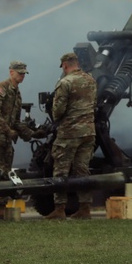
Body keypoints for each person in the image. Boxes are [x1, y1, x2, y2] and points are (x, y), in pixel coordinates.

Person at [0, 60, 44, 216]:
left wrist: (31, 133)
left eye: (24, 73)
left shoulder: (17, 93)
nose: (22, 76)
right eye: (20, 73)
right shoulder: (1, 89)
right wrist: (8, 131)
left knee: (6, 171)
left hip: (6, 137)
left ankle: (2, 206)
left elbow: (15, 121)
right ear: (11, 72)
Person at [44, 52, 97, 220]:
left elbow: (58, 111)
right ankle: (85, 208)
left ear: (65, 65)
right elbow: (93, 104)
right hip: (88, 132)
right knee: (83, 170)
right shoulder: (91, 80)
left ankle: (59, 209)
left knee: (61, 170)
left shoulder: (65, 82)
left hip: (69, 133)